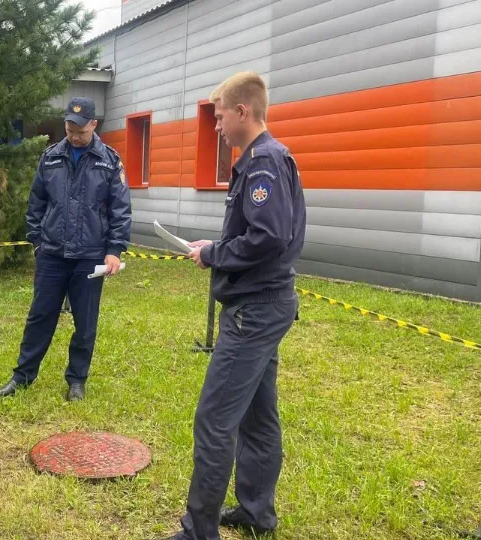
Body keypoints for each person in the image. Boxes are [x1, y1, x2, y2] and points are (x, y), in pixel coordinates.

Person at [158, 72, 306, 540]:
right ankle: (257, 512)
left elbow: (269, 236)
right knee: (259, 416)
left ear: (243, 111)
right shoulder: (265, 158)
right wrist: (217, 244)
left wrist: (215, 254)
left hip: (254, 311)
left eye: (219, 115)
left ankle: (198, 531)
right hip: (267, 303)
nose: (216, 126)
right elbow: (262, 232)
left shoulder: (262, 162)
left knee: (215, 420)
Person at [0, 96, 131, 402]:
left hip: (90, 255)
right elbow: (36, 203)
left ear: (94, 125)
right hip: (52, 254)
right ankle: (22, 376)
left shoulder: (110, 161)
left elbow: (120, 209)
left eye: (80, 130)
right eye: (69, 128)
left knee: (85, 322)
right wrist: (38, 241)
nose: (73, 134)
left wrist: (114, 250)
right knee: (40, 316)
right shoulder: (51, 157)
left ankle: (77, 380)